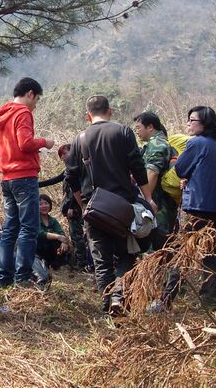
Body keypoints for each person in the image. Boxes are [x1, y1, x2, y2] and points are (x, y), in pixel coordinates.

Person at [66, 95, 156, 314]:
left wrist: (82, 204)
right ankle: (119, 295)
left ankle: (108, 308)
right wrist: (148, 198)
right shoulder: (123, 132)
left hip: (94, 209)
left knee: (101, 259)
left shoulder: (80, 139)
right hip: (121, 206)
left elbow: (71, 177)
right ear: (110, 111)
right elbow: (137, 166)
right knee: (128, 253)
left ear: (88, 115)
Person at [163, 106, 216, 306]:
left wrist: (186, 177)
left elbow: (181, 168)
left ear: (204, 124)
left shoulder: (196, 143)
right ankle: (209, 299)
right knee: (209, 253)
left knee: (181, 252)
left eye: (192, 120)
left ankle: (166, 299)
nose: (188, 124)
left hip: (197, 208)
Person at [0, 77, 55, 289]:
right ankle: (22, 278)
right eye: (36, 99)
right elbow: (25, 143)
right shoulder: (23, 113)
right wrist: (45, 143)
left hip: (6, 177)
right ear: (30, 93)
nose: (36, 104)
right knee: (29, 228)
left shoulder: (2, 114)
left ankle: (3, 279)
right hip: (24, 175)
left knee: (10, 228)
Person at [39, 144, 88, 271]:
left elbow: (77, 190)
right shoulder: (68, 169)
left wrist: (72, 207)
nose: (63, 157)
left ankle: (82, 263)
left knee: (78, 235)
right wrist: (36, 184)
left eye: (65, 153)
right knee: (75, 235)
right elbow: (54, 180)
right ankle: (80, 261)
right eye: (61, 155)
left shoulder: (79, 168)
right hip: (70, 208)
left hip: (77, 207)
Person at [133, 112, 176, 250]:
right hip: (164, 203)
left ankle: (166, 271)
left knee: (159, 246)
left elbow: (152, 172)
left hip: (159, 204)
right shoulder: (162, 143)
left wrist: (146, 201)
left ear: (150, 127)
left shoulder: (156, 144)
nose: (137, 131)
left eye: (138, 127)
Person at [36, 194, 69, 269]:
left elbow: (61, 232)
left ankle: (60, 265)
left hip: (50, 249)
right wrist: (58, 236)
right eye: (40, 204)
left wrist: (64, 242)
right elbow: (40, 233)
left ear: (50, 205)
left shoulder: (53, 220)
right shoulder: (35, 219)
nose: (44, 206)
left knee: (61, 244)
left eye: (46, 203)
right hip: (39, 249)